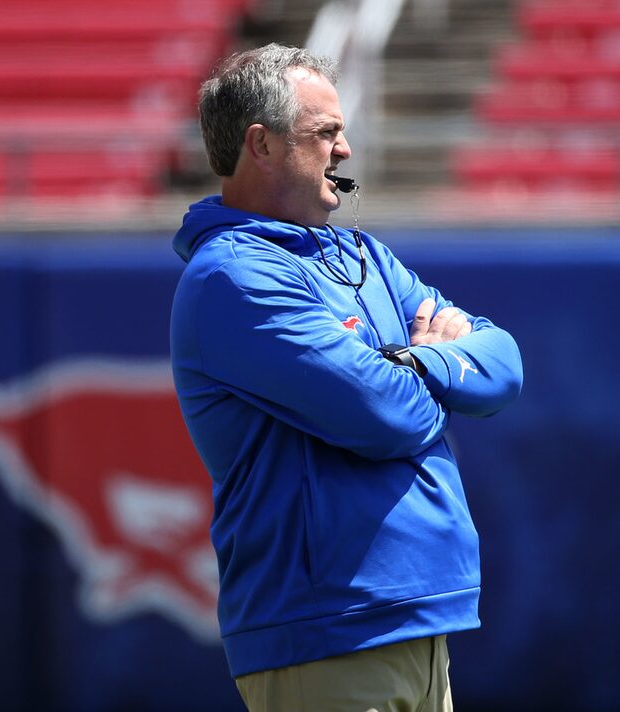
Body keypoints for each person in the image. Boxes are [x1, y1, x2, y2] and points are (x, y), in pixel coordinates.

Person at [169, 43, 522, 712]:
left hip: (421, 622)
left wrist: (416, 361)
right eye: (326, 132)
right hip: (327, 632)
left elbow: (502, 365)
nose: (347, 150)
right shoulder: (232, 277)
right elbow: (393, 416)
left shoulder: (363, 255)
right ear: (262, 145)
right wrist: (437, 370)